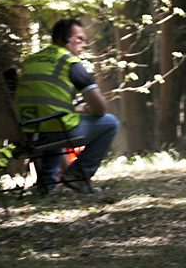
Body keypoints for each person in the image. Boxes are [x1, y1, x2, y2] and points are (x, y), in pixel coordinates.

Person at [14, 18, 119, 194]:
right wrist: (87, 108)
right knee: (110, 123)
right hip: (53, 128)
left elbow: (43, 99)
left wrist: (75, 108)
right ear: (65, 39)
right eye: (80, 39)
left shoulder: (31, 61)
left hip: (27, 130)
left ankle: (47, 184)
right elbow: (100, 108)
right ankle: (78, 175)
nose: (84, 45)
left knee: (57, 123)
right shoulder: (69, 62)